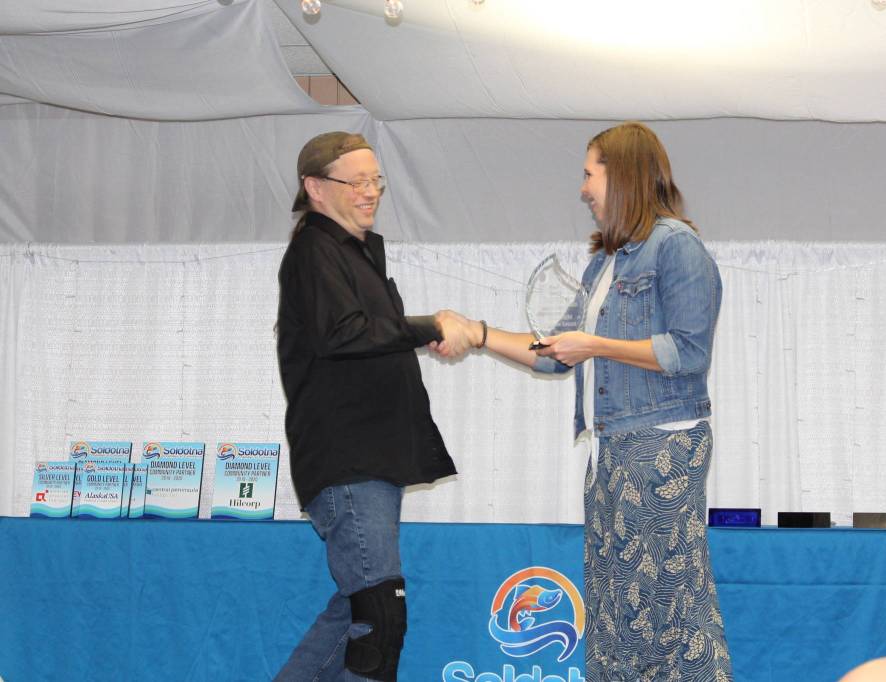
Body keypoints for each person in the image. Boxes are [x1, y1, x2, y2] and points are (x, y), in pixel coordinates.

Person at [438, 122, 732, 680]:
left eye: (588, 173)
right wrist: (477, 332)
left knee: (669, 607)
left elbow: (689, 352)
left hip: (661, 449)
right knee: (612, 605)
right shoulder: (605, 263)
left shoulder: (676, 247)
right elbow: (554, 354)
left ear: (620, 175)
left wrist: (595, 344)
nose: (582, 189)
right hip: (610, 454)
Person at [275, 131, 474, 681]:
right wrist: (429, 325)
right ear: (315, 188)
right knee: (378, 616)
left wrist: (419, 332)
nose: (370, 192)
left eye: (376, 180)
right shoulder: (316, 250)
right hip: (350, 464)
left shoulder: (352, 255)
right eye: (356, 181)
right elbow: (344, 334)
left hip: (368, 465)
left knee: (356, 611)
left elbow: (365, 337)